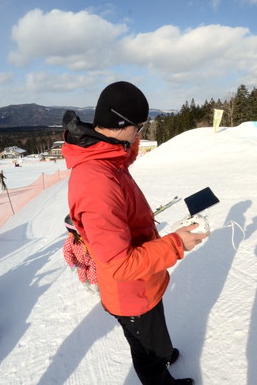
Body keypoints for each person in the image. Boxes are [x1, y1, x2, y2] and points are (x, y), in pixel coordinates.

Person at [62, 81, 206, 385]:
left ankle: (162, 351)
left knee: (156, 335)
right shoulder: (97, 184)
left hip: (144, 280)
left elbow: (124, 155)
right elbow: (120, 263)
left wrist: (131, 141)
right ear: (121, 125)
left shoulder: (105, 153)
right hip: (130, 292)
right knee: (145, 352)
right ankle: (159, 375)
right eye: (138, 128)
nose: (140, 134)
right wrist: (177, 242)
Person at [62, 214, 98, 291]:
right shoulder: (70, 242)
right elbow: (67, 254)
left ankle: (95, 287)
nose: (82, 229)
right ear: (72, 230)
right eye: (78, 227)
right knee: (83, 276)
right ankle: (86, 286)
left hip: (91, 260)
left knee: (93, 275)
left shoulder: (86, 235)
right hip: (79, 264)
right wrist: (72, 266)